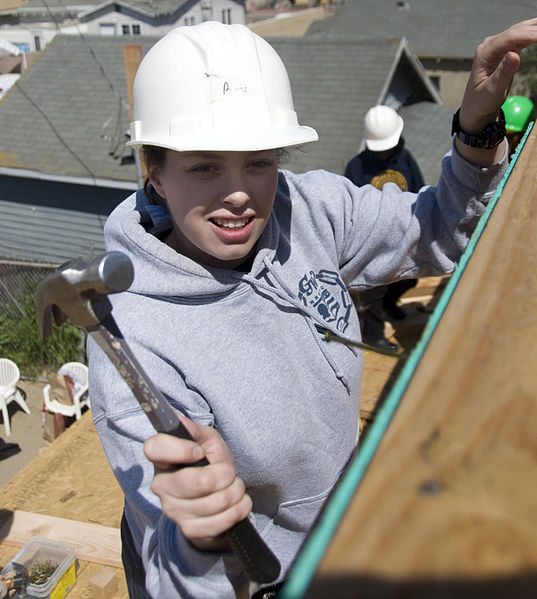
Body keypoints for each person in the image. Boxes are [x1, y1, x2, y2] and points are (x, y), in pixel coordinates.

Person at [87, 19, 537, 599]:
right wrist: (200, 539)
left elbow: (439, 227)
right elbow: (178, 583)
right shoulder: (134, 339)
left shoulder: (309, 209)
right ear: (153, 168)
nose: (240, 193)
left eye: (260, 161)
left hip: (342, 532)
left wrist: (475, 125)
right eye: (203, 166)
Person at [344, 105, 425, 351]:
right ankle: (373, 334)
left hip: (404, 233)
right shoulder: (357, 167)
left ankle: (391, 304)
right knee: (374, 292)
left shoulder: (406, 159)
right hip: (373, 239)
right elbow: (350, 206)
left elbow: (419, 190)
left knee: (408, 279)